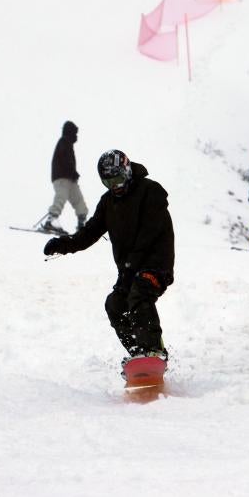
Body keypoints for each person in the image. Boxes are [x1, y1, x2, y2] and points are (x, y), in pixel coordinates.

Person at [43, 149, 174, 363]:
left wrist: (131, 267)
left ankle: (154, 352)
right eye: (109, 182)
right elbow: (89, 233)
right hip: (129, 270)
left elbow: (148, 235)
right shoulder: (108, 202)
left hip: (155, 263)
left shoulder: (150, 192)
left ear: (128, 170)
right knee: (115, 304)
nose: (116, 187)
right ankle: (139, 355)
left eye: (119, 179)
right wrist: (62, 244)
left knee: (140, 293)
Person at [42, 120, 89, 234]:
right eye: (74, 133)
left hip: (69, 178)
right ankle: (51, 220)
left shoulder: (67, 143)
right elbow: (65, 159)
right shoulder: (64, 141)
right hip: (62, 177)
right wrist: (72, 172)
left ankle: (82, 224)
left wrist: (73, 173)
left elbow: (67, 160)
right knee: (61, 197)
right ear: (70, 132)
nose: (76, 135)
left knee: (79, 201)